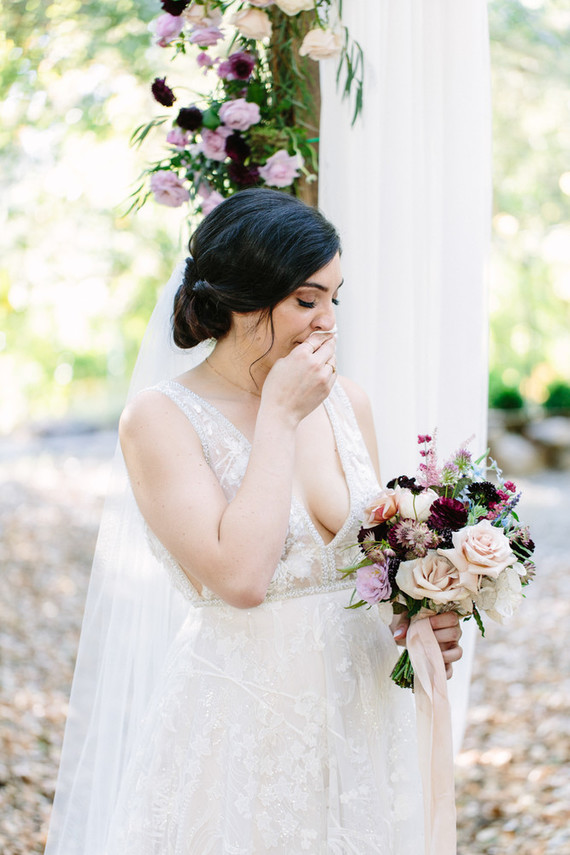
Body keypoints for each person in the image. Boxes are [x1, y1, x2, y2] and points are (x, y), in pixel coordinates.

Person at [45, 188, 462, 855]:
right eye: (306, 300)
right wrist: (279, 416)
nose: (328, 321)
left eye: (335, 298)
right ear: (242, 300)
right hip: (244, 732)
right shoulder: (160, 418)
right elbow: (241, 578)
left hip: (361, 723)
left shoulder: (348, 403)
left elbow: (373, 571)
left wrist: (422, 612)